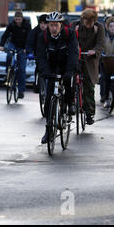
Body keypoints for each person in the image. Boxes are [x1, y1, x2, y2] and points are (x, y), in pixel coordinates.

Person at [36, 12, 79, 144]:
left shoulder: (69, 34)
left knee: (68, 82)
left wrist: (70, 70)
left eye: (56, 25)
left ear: (61, 25)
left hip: (66, 65)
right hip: (52, 68)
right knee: (49, 99)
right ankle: (48, 132)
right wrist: (45, 71)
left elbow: (73, 53)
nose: (53, 28)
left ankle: (70, 103)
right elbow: (41, 57)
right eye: (50, 25)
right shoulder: (43, 36)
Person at [73, 9, 105, 125]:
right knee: (70, 80)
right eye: (86, 22)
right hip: (76, 57)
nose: (88, 25)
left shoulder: (99, 27)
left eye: (91, 23)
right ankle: (70, 106)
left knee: (89, 86)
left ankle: (89, 113)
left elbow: (101, 44)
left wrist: (94, 51)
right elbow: (70, 40)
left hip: (90, 60)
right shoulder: (76, 26)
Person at [0, 10, 31, 99]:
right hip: (13, 44)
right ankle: (8, 72)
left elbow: (29, 38)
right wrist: (1, 45)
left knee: (21, 69)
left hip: (22, 47)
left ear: (22, 18)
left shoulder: (27, 26)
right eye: (16, 19)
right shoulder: (11, 25)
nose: (17, 21)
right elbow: (5, 35)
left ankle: (21, 91)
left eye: (19, 19)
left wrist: (26, 49)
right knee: (9, 55)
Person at [26, 13, 47, 92]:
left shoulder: (51, 31)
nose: (43, 25)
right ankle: (37, 84)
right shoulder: (35, 31)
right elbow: (29, 43)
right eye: (41, 23)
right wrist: (30, 52)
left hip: (50, 54)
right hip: (38, 54)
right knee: (39, 68)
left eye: (45, 23)